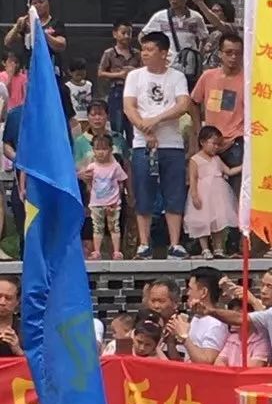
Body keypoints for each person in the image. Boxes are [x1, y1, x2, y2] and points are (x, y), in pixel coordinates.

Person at [123, 30, 191, 259]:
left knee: (174, 192)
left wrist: (156, 120)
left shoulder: (176, 77)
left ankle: (175, 243)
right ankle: (144, 243)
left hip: (171, 143)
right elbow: (129, 106)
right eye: (143, 49)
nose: (145, 54)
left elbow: (182, 105)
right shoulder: (135, 76)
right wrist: (144, 127)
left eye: (150, 50)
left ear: (164, 53)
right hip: (143, 143)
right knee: (144, 191)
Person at [191, 30, 245, 173]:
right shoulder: (208, 76)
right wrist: (198, 129)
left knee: (236, 189)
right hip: (209, 142)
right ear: (220, 53)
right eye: (229, 52)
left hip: (236, 142)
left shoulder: (248, 80)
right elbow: (194, 101)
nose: (233, 57)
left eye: (238, 53)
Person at [186, 125, 240, 257]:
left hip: (218, 193)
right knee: (202, 220)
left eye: (218, 144)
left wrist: (244, 166)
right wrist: (194, 195)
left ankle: (218, 248)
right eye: (213, 143)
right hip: (203, 193)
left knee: (218, 220)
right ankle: (205, 248)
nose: (216, 147)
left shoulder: (217, 159)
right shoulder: (195, 159)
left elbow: (228, 171)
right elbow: (193, 178)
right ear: (203, 142)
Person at [144, 0, 208, 88]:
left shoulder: (196, 17)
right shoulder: (160, 17)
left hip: (189, 67)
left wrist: (197, 55)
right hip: (167, 65)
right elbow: (144, 35)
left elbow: (204, 37)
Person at [86, 131, 126, 260]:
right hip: (96, 202)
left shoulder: (115, 166)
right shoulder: (91, 167)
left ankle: (116, 251)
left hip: (112, 202)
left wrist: (117, 199)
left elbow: (121, 183)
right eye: (97, 149)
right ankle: (97, 251)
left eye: (104, 149)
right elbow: (88, 183)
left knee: (114, 226)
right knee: (97, 227)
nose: (101, 152)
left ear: (110, 149)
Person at [97, 20, 139, 141]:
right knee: (117, 124)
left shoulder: (137, 53)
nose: (126, 36)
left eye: (129, 33)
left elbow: (143, 70)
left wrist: (133, 71)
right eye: (123, 32)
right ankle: (117, 151)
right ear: (115, 34)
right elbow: (100, 73)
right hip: (117, 90)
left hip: (134, 92)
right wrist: (119, 74)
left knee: (132, 124)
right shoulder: (109, 53)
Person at [65, 57, 92, 127]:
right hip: (75, 120)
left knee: (88, 137)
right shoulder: (67, 86)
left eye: (82, 74)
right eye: (78, 74)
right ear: (70, 72)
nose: (80, 77)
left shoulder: (89, 85)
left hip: (88, 120)